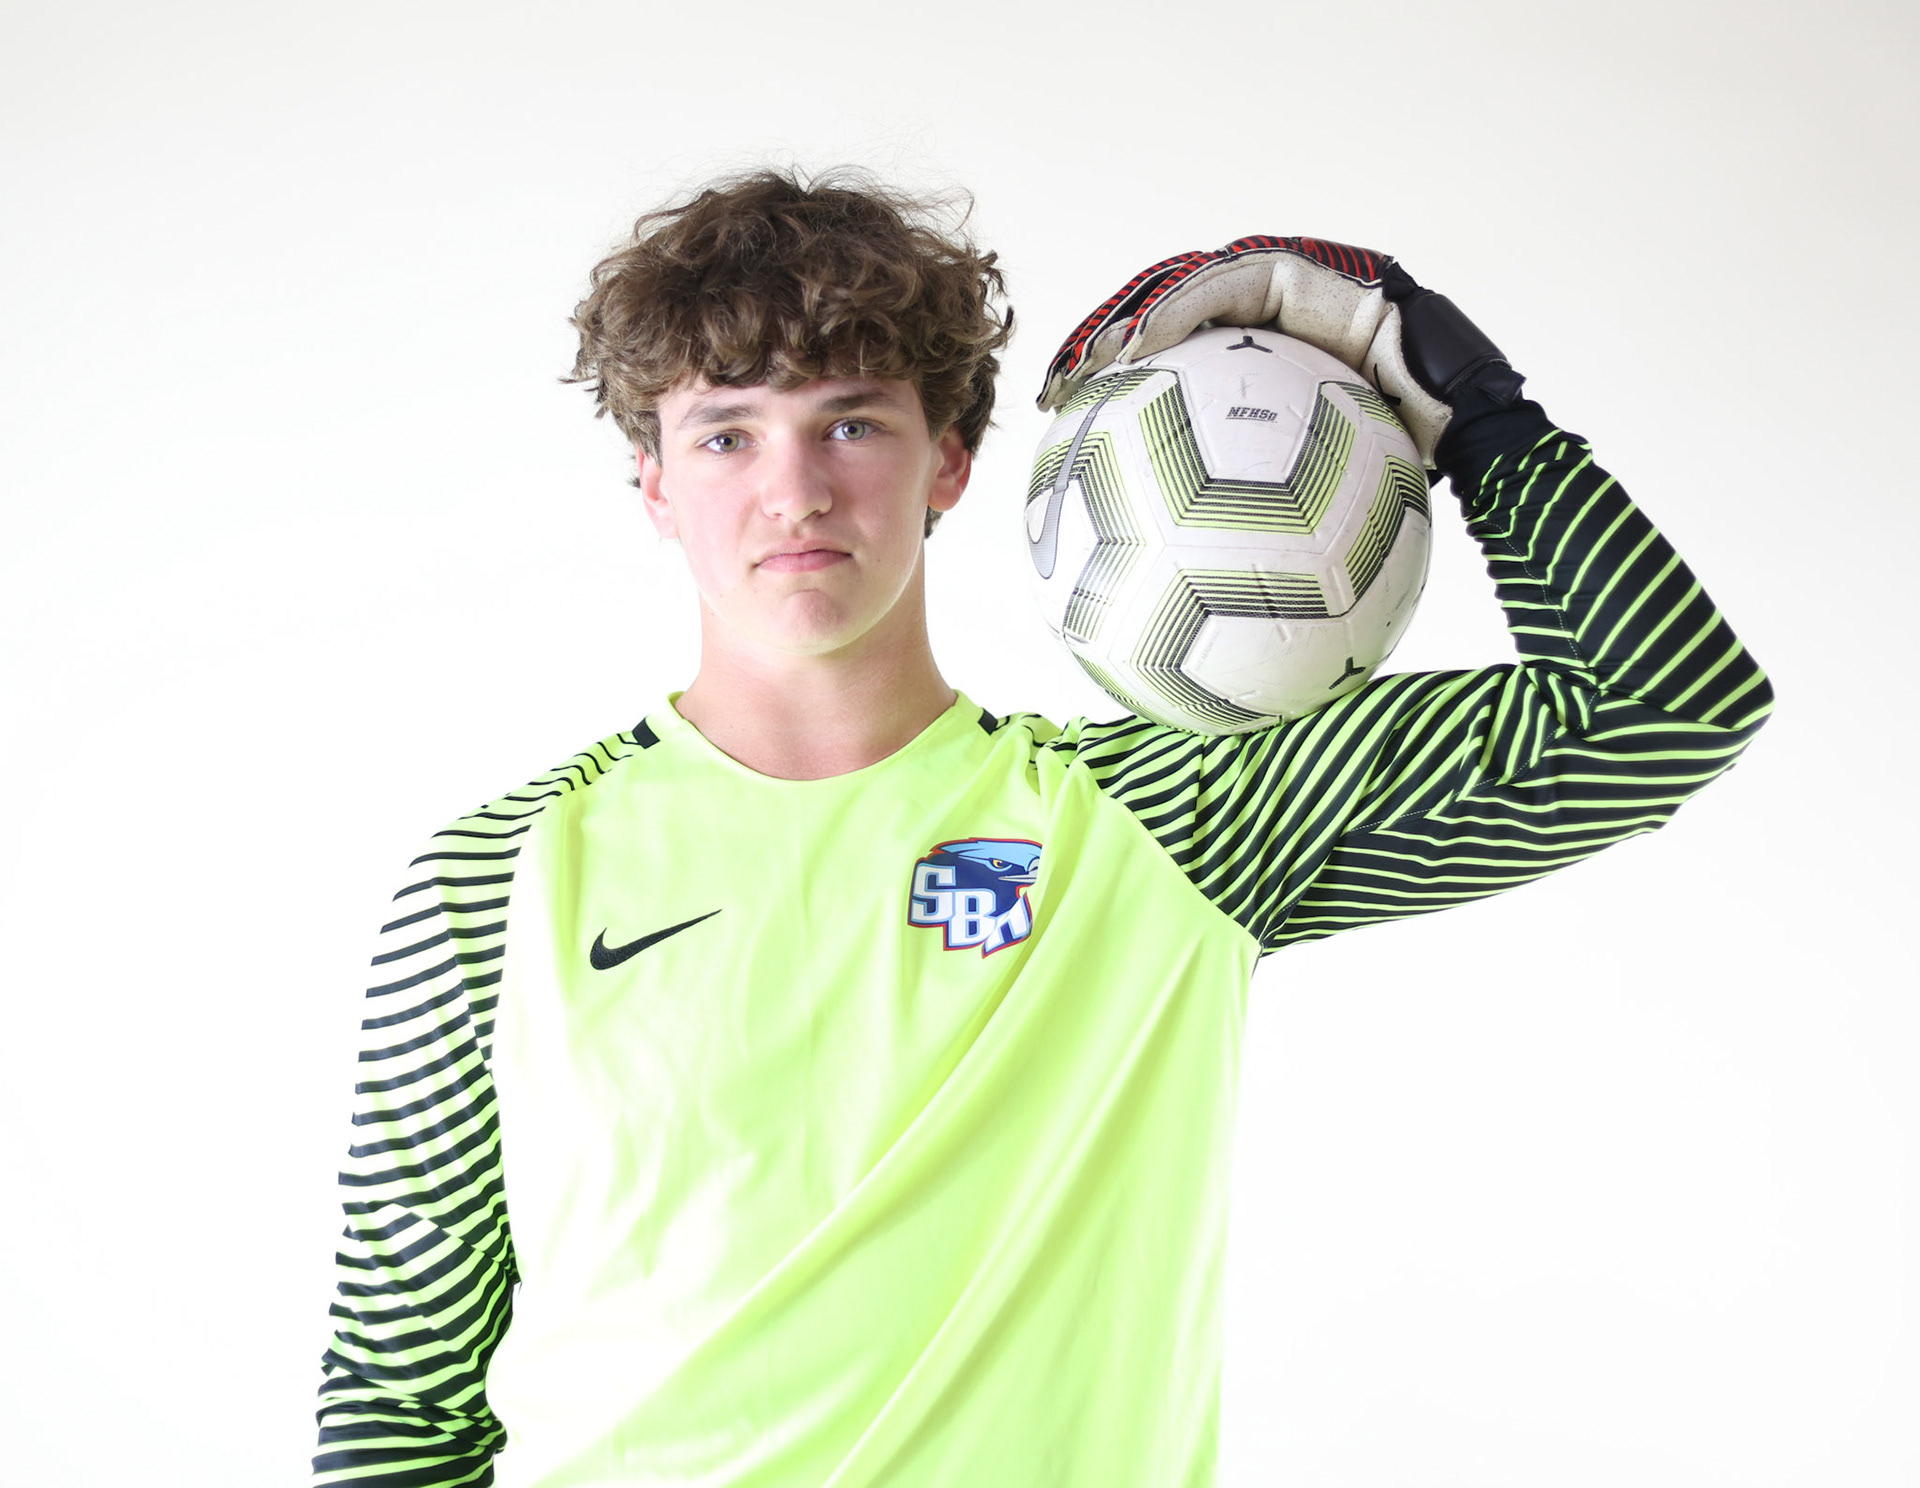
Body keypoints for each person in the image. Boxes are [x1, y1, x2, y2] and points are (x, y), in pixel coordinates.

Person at [312, 169, 1771, 1487]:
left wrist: (1475, 412)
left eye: (852, 423)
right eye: (725, 434)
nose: (795, 490)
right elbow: (397, 1401)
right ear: (654, 486)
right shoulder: (492, 884)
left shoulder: (1175, 818)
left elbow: (1663, 707)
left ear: (951, 461)